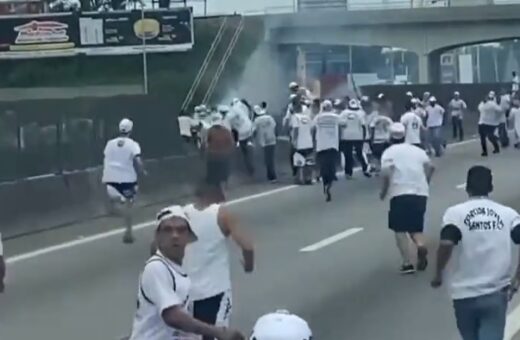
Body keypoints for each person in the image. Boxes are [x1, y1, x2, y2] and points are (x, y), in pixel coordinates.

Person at [129, 206, 245, 340]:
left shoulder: (176, 270)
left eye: (181, 230)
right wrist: (219, 332)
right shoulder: (156, 267)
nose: (175, 235)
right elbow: (173, 317)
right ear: (158, 237)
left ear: (188, 237)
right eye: (168, 230)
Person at [431, 166, 520, 340]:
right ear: (491, 188)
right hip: (496, 291)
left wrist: (438, 274)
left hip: (463, 294)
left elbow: (446, 243)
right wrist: (516, 279)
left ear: (467, 188)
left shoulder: (454, 214)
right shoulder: (508, 214)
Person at [183, 183, 254, 339]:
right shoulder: (222, 215)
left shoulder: (182, 214)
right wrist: (249, 266)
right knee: (218, 334)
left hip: (186, 294)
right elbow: (247, 247)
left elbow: (156, 247)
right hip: (215, 292)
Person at [380, 122, 434, 274]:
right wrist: (426, 182)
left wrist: (384, 192)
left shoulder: (389, 153)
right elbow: (431, 167)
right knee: (415, 227)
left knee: (399, 228)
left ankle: (407, 262)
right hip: (420, 192)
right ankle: (420, 245)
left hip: (400, 192)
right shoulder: (417, 150)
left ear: (390, 137)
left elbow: (386, 173)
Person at [102, 118, 147, 244]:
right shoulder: (133, 144)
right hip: (126, 180)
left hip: (110, 179)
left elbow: (107, 159)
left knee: (118, 202)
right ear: (131, 130)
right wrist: (143, 171)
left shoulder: (110, 143)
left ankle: (116, 207)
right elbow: (138, 161)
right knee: (129, 205)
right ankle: (128, 232)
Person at [312, 100, 340, 202]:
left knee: (323, 167)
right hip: (333, 145)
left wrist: (314, 140)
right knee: (331, 167)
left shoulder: (318, 117)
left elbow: (312, 128)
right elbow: (342, 126)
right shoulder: (336, 117)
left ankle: (325, 184)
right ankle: (329, 185)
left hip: (321, 145)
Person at [339, 99, 371, 179]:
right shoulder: (361, 113)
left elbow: (340, 124)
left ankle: (348, 172)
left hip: (346, 137)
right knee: (359, 153)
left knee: (348, 155)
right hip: (358, 136)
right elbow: (364, 126)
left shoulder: (343, 113)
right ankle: (365, 168)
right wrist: (364, 137)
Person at [205, 115, 234, 188]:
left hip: (213, 154)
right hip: (225, 154)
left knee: (212, 168)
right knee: (225, 168)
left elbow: (206, 142)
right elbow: (231, 142)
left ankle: (213, 182)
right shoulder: (226, 131)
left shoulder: (210, 131)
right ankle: (225, 182)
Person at [226, 99, 254, 176]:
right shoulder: (245, 106)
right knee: (247, 147)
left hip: (242, 132)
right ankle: (250, 143)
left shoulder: (234, 109)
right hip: (250, 128)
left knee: (244, 151)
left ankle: (247, 167)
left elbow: (229, 119)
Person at [253, 106, 278, 183]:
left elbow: (254, 131)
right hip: (272, 139)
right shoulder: (270, 118)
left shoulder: (256, 120)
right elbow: (275, 127)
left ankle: (272, 177)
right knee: (270, 158)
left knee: (268, 160)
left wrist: (254, 139)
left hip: (264, 141)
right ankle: (270, 175)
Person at [291, 104, 315, 184]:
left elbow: (296, 129)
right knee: (309, 162)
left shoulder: (295, 117)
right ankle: (309, 179)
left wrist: (294, 140)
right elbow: (312, 129)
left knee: (299, 162)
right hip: (309, 142)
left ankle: (301, 179)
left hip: (300, 143)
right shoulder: (307, 117)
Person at [369, 109, 393, 174]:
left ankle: (377, 169)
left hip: (377, 140)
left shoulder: (375, 120)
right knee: (385, 155)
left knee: (376, 156)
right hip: (386, 140)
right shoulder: (388, 119)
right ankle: (385, 169)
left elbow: (372, 130)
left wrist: (371, 139)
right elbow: (392, 130)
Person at [477, 91, 501, 157]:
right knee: (483, 137)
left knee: (489, 137)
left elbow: (499, 110)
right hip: (482, 122)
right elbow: (479, 111)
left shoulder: (492, 104)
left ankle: (496, 148)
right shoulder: (481, 104)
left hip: (489, 123)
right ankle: (485, 151)